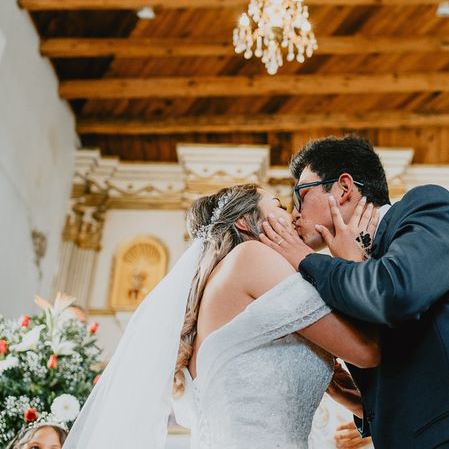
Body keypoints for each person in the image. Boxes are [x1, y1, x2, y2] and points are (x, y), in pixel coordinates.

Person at [260, 135, 449, 448]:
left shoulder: (427, 207)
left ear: (343, 188)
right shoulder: (349, 275)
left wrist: (304, 258)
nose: (294, 213)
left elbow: (396, 294)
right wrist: (359, 403)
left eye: (301, 195)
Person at [64, 183, 379, 448]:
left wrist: (340, 387)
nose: (293, 214)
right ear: (244, 222)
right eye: (280, 206)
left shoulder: (219, 294)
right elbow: (367, 350)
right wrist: (352, 262)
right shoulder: (250, 258)